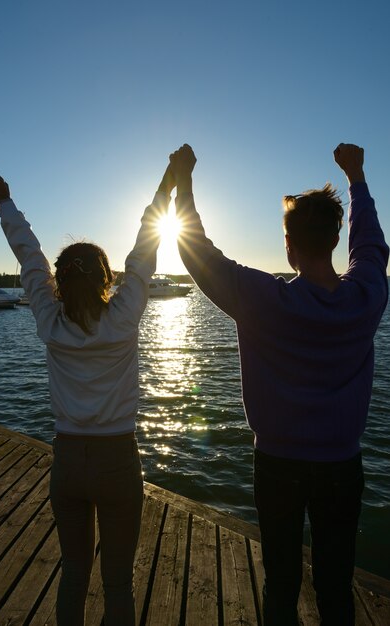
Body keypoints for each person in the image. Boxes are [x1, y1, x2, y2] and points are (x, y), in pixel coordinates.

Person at [170, 143, 389, 625]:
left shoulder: (262, 299)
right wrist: (356, 178)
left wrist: (183, 179)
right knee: (336, 585)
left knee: (281, 584)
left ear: (288, 246)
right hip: (342, 467)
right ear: (334, 241)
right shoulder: (367, 299)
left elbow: (197, 252)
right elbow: (372, 248)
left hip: (277, 466)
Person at [0, 163, 176, 626]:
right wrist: (169, 181)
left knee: (73, 573)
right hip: (117, 461)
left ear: (61, 282)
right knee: (117, 583)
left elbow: (30, 259)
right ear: (105, 279)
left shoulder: (51, 326)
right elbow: (145, 247)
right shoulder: (123, 318)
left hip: (68, 462)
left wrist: (5, 203)